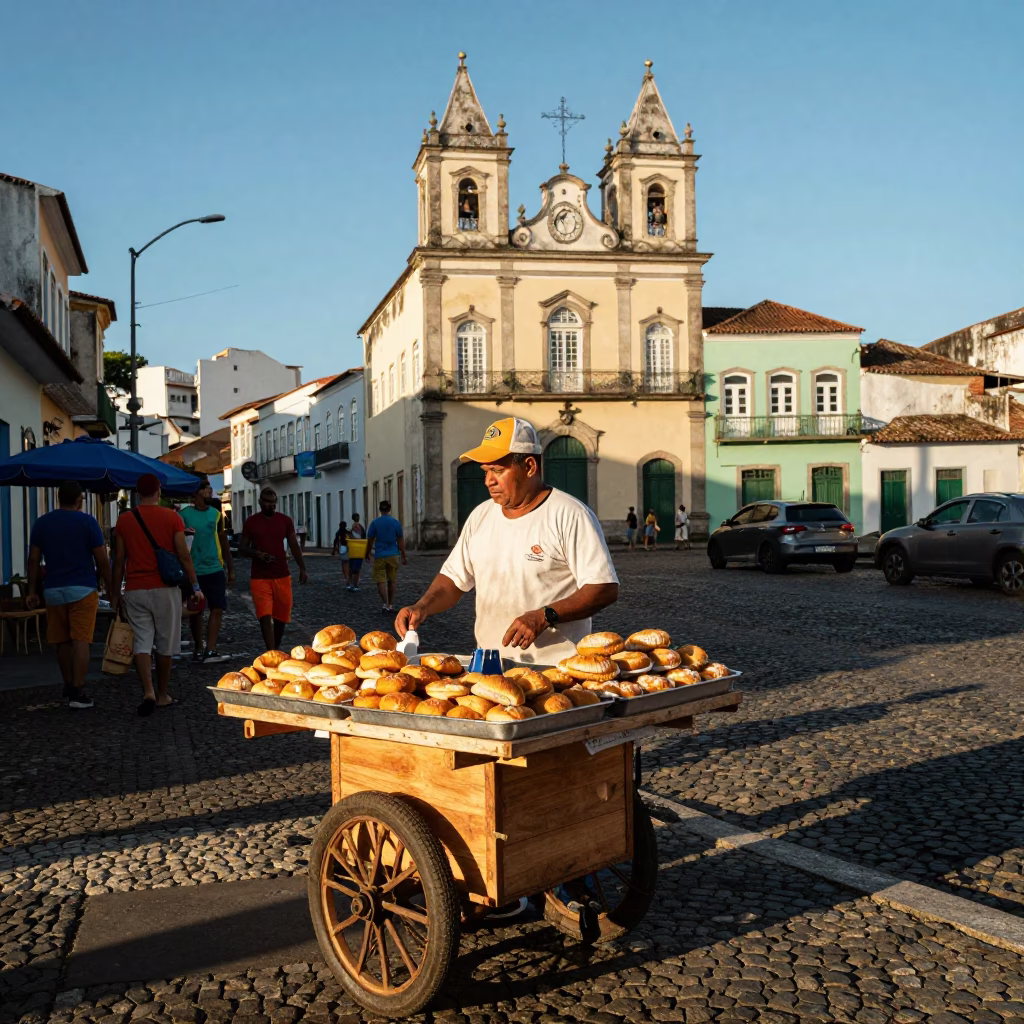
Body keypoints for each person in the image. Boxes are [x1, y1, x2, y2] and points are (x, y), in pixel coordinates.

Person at [396, 417, 619, 664]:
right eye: (485, 471)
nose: (488, 481)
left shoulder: (570, 515)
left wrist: (545, 616)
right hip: (489, 666)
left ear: (530, 466)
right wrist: (423, 606)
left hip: (555, 671)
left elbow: (603, 588)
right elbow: (454, 578)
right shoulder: (481, 515)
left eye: (498, 471)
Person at [111, 473, 203, 716]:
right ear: (159, 491)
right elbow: (184, 555)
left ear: (138, 493)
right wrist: (195, 587)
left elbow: (119, 559)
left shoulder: (125, 520)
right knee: (165, 643)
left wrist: (114, 592)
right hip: (165, 589)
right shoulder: (172, 517)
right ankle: (162, 694)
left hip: (135, 589)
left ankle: (147, 691)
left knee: (142, 642)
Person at [25, 480, 113, 709]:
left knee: (61, 641)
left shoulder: (42, 523)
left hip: (53, 589)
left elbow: (33, 558)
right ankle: (78, 689)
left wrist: (32, 590)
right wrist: (112, 589)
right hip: (82, 588)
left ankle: (67, 683)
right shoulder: (87, 522)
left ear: (58, 498)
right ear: (78, 500)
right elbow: (102, 560)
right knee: (81, 639)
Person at [237, 486, 308, 650]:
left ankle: (276, 645)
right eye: (267, 502)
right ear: (260, 502)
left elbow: (294, 545)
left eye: (273, 502)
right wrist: (256, 553)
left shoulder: (285, 521)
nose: (271, 506)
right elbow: (242, 548)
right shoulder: (252, 522)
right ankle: (270, 650)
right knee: (264, 614)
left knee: (281, 616)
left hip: (282, 574)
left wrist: (302, 568)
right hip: (260, 577)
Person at [180, 478, 235, 662]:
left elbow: (223, 539)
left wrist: (230, 567)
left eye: (209, 487)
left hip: (214, 567)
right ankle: (198, 646)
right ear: (196, 493)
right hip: (193, 569)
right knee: (196, 610)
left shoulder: (215, 514)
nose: (209, 490)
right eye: (205, 488)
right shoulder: (184, 515)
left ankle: (211, 649)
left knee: (217, 608)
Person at [366, 500, 407, 614]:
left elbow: (370, 540)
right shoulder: (395, 523)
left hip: (380, 555)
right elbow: (400, 540)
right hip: (393, 554)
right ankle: (391, 604)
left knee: (380, 580)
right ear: (389, 509)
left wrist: (367, 553)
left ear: (380, 510)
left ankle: (385, 603)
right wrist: (403, 555)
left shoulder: (375, 523)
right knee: (392, 580)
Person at [347, 513, 366, 591]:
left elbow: (353, 537)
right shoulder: (359, 526)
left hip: (353, 548)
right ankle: (355, 585)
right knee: (357, 568)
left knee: (351, 567)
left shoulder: (353, 527)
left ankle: (350, 583)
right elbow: (362, 536)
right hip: (359, 548)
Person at [332, 519, 350, 586]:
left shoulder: (338, 532)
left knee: (344, 563)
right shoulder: (348, 532)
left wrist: (334, 550)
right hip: (348, 548)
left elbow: (335, 541)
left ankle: (346, 576)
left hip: (342, 548)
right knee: (348, 563)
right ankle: (348, 576)